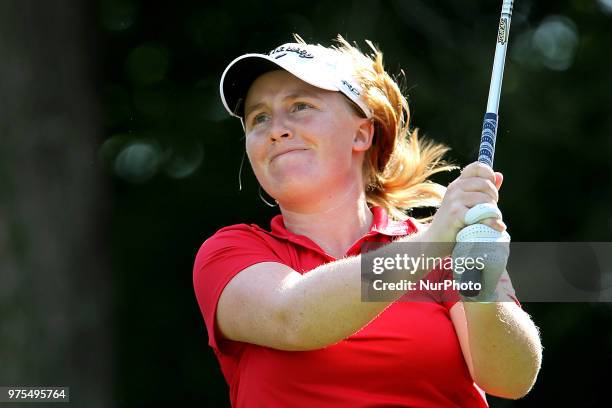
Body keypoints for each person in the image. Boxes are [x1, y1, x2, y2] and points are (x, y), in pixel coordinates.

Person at [193, 35, 542, 407]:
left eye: (300, 106)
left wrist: (480, 292)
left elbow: (512, 378)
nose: (276, 128)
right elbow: (291, 317)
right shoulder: (231, 251)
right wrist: (434, 241)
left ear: (362, 132)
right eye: (259, 117)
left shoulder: (444, 249)